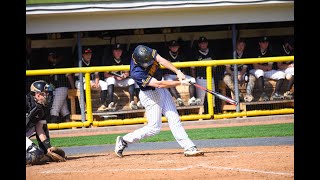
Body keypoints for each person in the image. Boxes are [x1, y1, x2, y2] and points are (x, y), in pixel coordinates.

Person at [114, 45, 204, 157]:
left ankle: (189, 147)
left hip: (161, 90)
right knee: (154, 128)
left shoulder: (146, 51)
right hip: (150, 95)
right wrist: (180, 83)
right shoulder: (136, 73)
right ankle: (124, 140)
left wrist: (178, 72)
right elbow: (158, 84)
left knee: (174, 118)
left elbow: (161, 60)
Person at [26, 80, 66, 165]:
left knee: (43, 126)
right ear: (37, 94)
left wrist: (48, 148)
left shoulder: (43, 106)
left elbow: (39, 128)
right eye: (45, 94)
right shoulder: (27, 103)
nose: (47, 96)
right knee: (36, 155)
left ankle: (44, 150)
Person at [103, 43, 143, 110]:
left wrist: (125, 75)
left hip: (122, 80)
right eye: (116, 51)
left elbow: (127, 73)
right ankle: (111, 103)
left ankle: (132, 102)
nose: (118, 52)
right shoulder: (109, 60)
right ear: (113, 52)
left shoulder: (124, 59)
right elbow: (105, 74)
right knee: (110, 80)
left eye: (119, 51)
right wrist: (115, 77)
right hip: (114, 81)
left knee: (132, 80)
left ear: (121, 52)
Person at [162, 40, 201, 106]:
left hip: (179, 74)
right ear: (170, 47)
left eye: (176, 46)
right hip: (169, 75)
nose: (174, 48)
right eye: (172, 46)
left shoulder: (181, 55)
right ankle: (178, 99)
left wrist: (182, 75)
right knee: (170, 81)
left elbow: (185, 67)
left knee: (192, 80)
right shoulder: (166, 55)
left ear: (178, 47)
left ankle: (192, 99)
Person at [249, 36, 286, 101]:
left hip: (265, 71)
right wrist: (264, 67)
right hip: (254, 71)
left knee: (281, 74)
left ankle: (276, 93)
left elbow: (270, 67)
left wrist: (261, 67)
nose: (265, 44)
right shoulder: (254, 51)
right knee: (260, 72)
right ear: (260, 43)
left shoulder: (270, 51)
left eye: (266, 42)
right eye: (263, 42)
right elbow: (255, 66)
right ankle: (262, 94)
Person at [74, 47, 109, 111]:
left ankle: (103, 105)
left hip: (91, 81)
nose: (88, 56)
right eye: (86, 54)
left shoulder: (93, 61)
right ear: (83, 55)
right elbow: (78, 77)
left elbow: (96, 74)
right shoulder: (79, 63)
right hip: (80, 81)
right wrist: (89, 82)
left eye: (89, 54)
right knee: (85, 86)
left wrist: (96, 82)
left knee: (104, 84)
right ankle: (86, 106)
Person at [46, 50, 75, 123]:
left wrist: (73, 88)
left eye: (51, 57)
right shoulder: (52, 66)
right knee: (64, 110)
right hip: (56, 89)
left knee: (54, 109)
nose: (50, 58)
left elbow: (69, 77)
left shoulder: (63, 65)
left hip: (62, 88)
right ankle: (71, 126)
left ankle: (53, 128)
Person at [190, 36, 216, 113]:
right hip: (200, 79)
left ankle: (212, 115)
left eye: (205, 43)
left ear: (207, 44)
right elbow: (192, 68)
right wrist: (194, 79)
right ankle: (201, 116)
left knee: (211, 98)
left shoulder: (211, 53)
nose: (203, 45)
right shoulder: (196, 54)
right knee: (200, 99)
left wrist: (212, 75)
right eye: (202, 43)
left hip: (210, 78)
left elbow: (214, 67)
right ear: (199, 45)